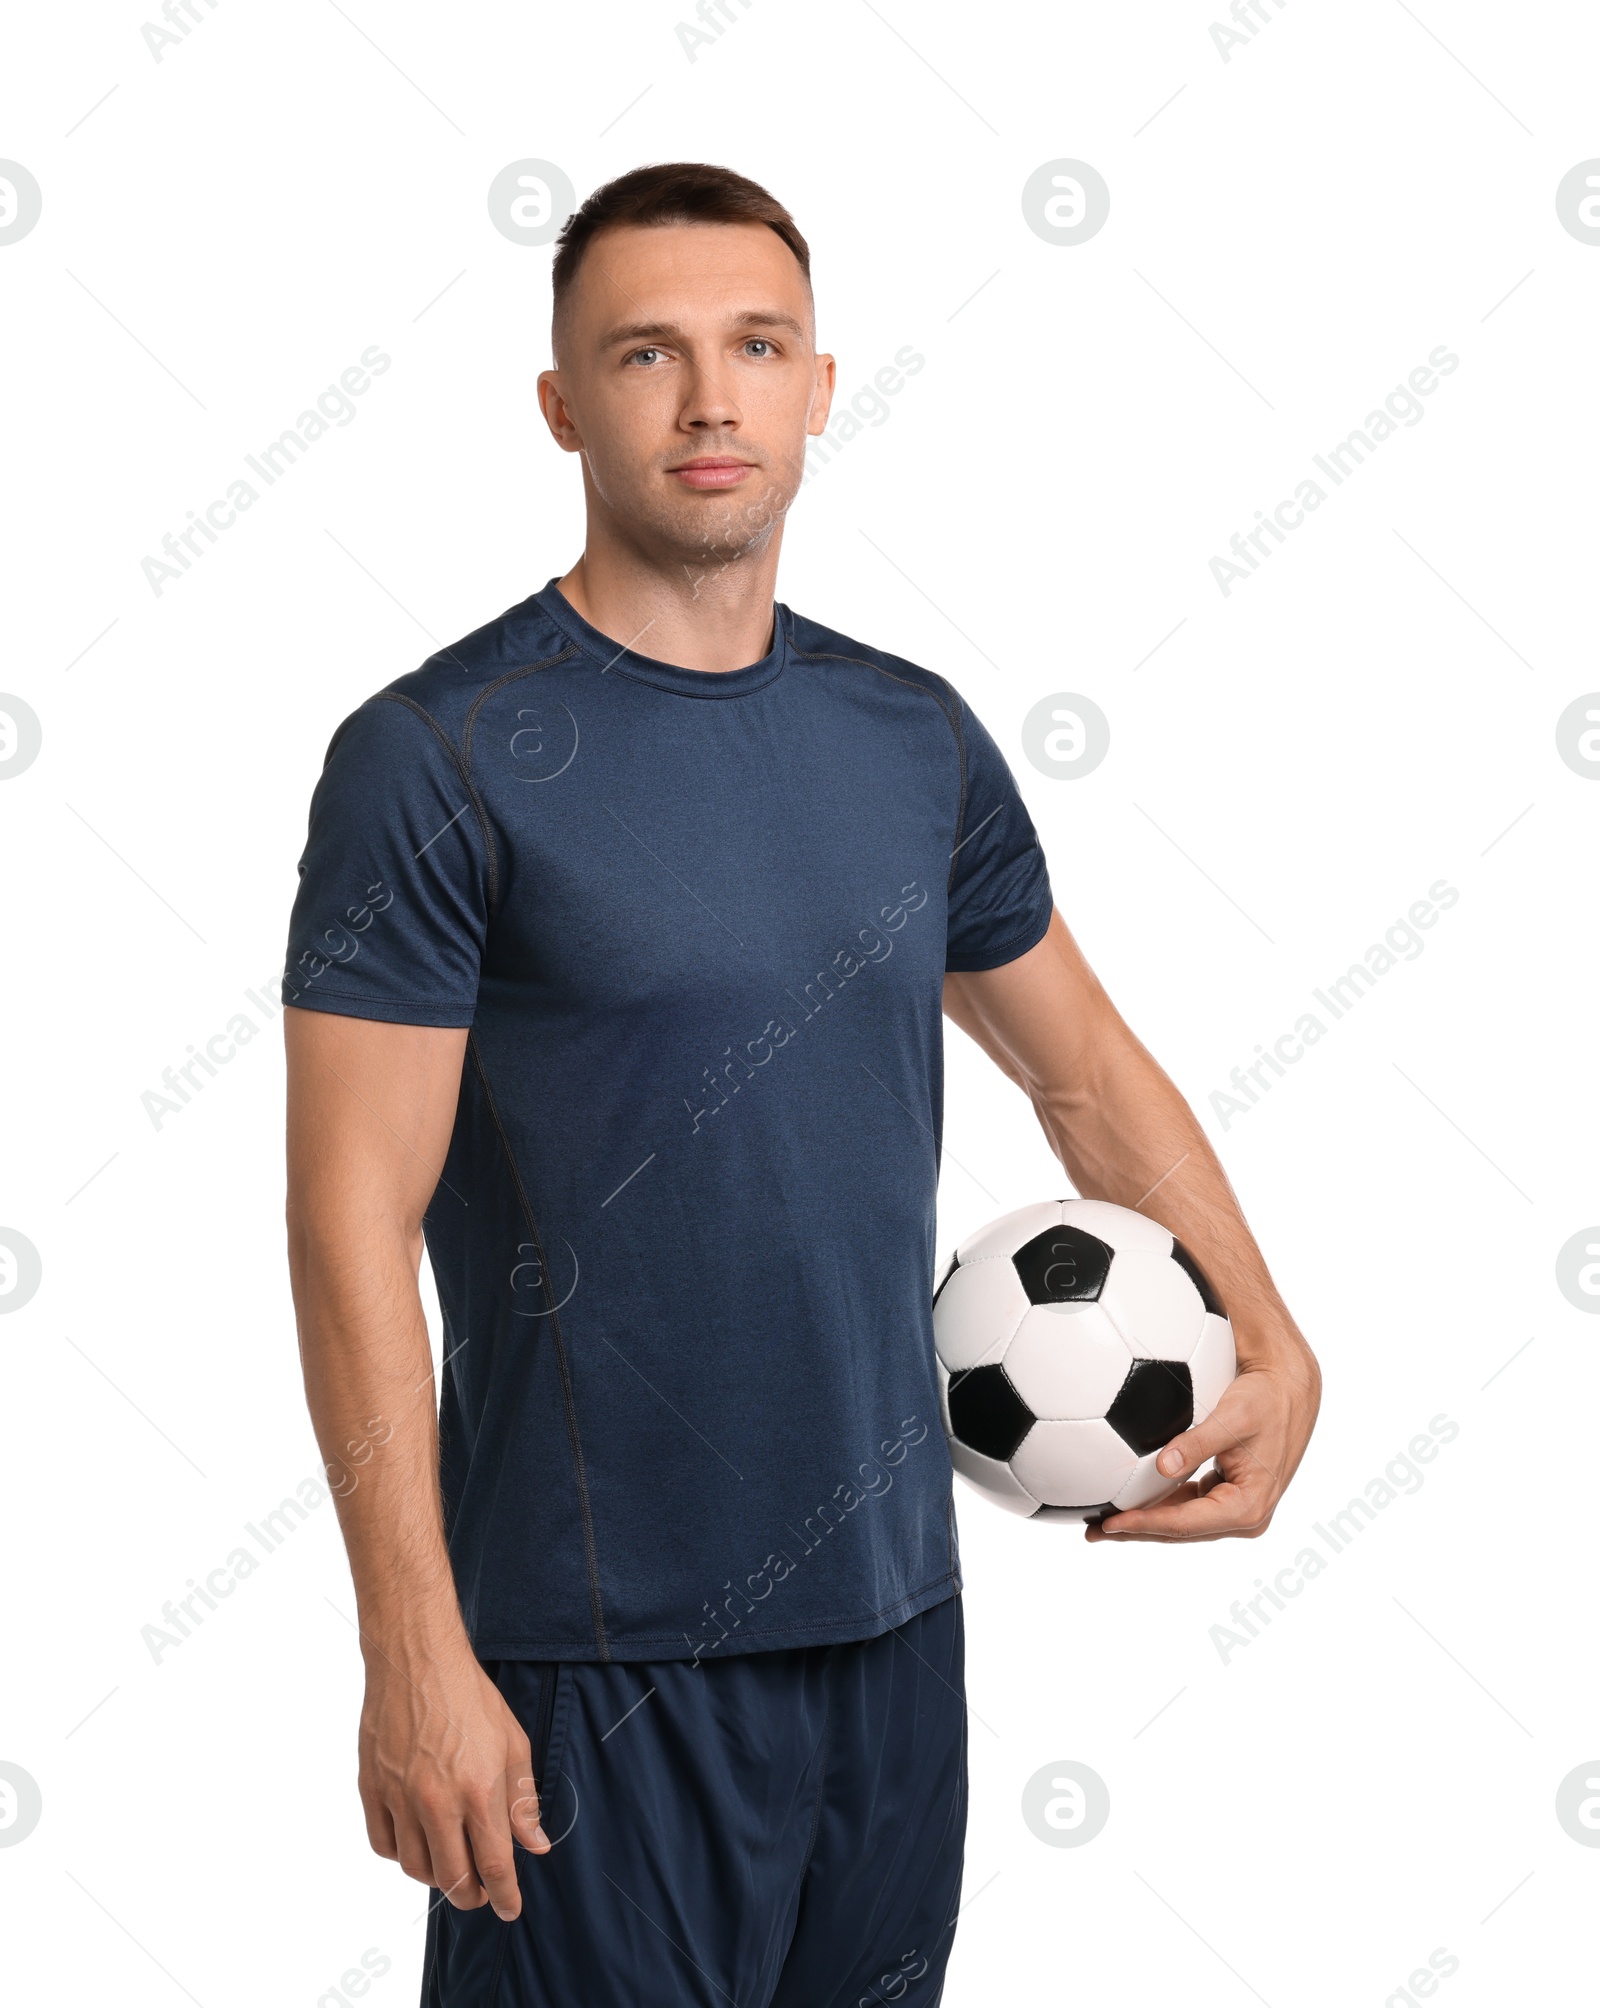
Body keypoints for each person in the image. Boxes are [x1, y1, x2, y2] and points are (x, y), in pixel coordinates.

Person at [282, 161, 1321, 2008]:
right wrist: (414, 1654)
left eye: (756, 347)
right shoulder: (432, 758)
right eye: (647, 353)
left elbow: (1075, 1068)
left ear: (821, 385)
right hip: (597, 1665)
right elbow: (348, 1224)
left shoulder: (908, 735)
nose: (709, 400)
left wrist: (1265, 1330)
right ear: (560, 405)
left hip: (896, 1628)